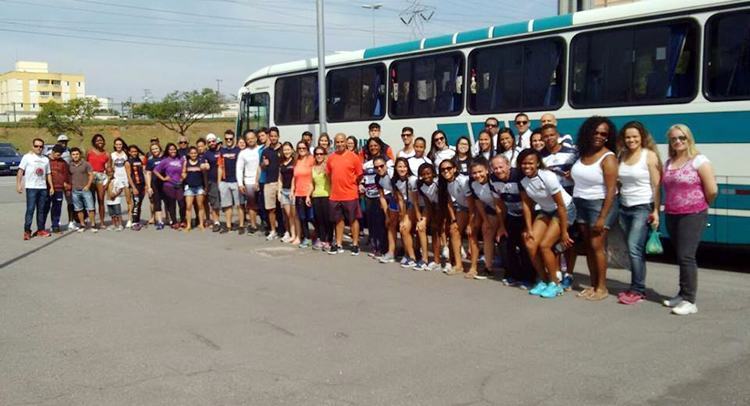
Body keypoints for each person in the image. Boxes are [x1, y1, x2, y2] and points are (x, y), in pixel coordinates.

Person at [661, 124, 717, 316]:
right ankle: (682, 293)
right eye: (674, 138)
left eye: (682, 138)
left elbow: (712, 189)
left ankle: (690, 301)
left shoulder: (699, 160)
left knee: (686, 256)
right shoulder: (669, 162)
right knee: (680, 255)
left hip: (693, 214)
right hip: (672, 214)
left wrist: (699, 205)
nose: (678, 141)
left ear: (689, 139)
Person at [571, 116, 619, 301]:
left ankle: (602, 288)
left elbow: (611, 191)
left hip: (599, 205)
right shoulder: (583, 153)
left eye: (604, 134)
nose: (599, 136)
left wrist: (602, 217)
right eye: (596, 132)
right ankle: (593, 284)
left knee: (597, 246)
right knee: (589, 247)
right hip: (581, 203)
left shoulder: (609, 158)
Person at [518, 149, 576, 299]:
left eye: (530, 162)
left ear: (537, 162)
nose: (527, 166)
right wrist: (529, 228)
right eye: (523, 163)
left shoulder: (547, 176)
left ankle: (556, 284)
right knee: (530, 242)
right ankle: (544, 280)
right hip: (546, 211)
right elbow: (526, 206)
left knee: (545, 245)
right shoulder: (522, 180)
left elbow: (561, 206)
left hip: (564, 210)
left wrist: (564, 232)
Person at [616, 121, 662, 305]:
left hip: (642, 207)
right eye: (628, 137)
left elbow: (656, 186)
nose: (631, 140)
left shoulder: (649, 156)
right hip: (624, 207)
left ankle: (638, 290)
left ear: (642, 137)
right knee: (633, 249)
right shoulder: (622, 155)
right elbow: (620, 182)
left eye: (635, 136)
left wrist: (656, 211)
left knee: (634, 248)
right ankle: (635, 286)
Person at [540, 123, 579, 289]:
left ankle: (569, 274)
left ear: (557, 135)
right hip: (553, 203)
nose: (549, 139)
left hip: (571, 199)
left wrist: (573, 175)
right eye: (546, 136)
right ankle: (556, 273)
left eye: (551, 135)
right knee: (555, 242)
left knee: (570, 240)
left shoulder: (572, 152)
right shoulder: (540, 156)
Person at [490, 155, 534, 288]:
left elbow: (528, 203)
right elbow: (499, 205)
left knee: (525, 243)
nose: (498, 170)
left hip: (529, 213)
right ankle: (514, 275)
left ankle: (529, 277)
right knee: (505, 242)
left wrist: (528, 227)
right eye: (495, 168)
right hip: (511, 214)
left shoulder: (518, 176)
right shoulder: (492, 179)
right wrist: (501, 227)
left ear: (508, 165)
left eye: (501, 167)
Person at [437, 158, 476, 276]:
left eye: (448, 168)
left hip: (475, 209)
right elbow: (449, 202)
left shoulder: (463, 181)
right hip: (461, 208)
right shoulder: (445, 183)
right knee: (453, 230)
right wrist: (453, 219)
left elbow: (471, 204)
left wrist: (470, 223)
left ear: (454, 169)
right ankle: (458, 265)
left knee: (471, 233)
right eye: (443, 169)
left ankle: (473, 267)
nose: (446, 171)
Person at [327, 133, 364, 255]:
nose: (340, 144)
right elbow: (329, 174)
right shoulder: (331, 157)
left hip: (350, 194)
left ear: (346, 142)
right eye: (337, 142)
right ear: (334, 143)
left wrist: (352, 185)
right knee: (338, 220)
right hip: (335, 195)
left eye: (342, 141)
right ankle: (338, 243)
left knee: (353, 220)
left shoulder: (354, 157)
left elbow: (359, 175)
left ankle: (355, 244)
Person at [467, 159, 501, 279]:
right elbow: (478, 203)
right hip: (491, 210)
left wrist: (501, 225)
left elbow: (499, 205)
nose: (477, 175)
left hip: (504, 210)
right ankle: (488, 267)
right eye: (474, 173)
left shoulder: (494, 182)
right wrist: (485, 220)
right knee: (486, 231)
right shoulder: (473, 184)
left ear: (487, 170)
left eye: (480, 171)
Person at [362, 139, 392, 259]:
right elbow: (363, 179)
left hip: (384, 196)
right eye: (371, 146)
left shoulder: (388, 162)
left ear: (380, 146)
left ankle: (385, 248)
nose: (373, 148)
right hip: (370, 196)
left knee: (383, 223)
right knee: (373, 223)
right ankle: (376, 248)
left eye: (375, 145)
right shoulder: (366, 164)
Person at [17, 138, 52, 240]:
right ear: (33, 146)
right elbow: (20, 171)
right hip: (31, 187)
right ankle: (27, 231)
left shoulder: (45, 159)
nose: (39, 148)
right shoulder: (27, 157)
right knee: (30, 209)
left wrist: (51, 186)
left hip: (43, 188)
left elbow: (48, 174)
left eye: (41, 146)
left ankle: (40, 230)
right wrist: (18, 184)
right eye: (36, 146)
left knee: (41, 210)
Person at [391, 157, 419, 269]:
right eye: (399, 166)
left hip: (417, 205)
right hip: (407, 205)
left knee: (406, 228)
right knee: (403, 227)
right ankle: (409, 255)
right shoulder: (396, 181)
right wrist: (402, 217)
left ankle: (413, 257)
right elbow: (401, 200)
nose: (402, 169)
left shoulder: (412, 180)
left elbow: (415, 200)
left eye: (404, 166)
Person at [416, 163, 442, 272]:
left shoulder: (438, 183)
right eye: (423, 174)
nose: (426, 176)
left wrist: (437, 217)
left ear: (433, 173)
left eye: (428, 173)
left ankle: (439, 261)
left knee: (438, 230)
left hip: (443, 207)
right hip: (431, 206)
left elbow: (444, 200)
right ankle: (428, 259)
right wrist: (425, 218)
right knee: (426, 228)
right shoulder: (420, 185)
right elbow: (427, 201)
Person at [154, 143, 185, 230]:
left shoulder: (180, 159)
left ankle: (183, 220)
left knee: (182, 204)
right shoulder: (165, 160)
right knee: (171, 205)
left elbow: (184, 169)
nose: (173, 151)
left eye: (174, 149)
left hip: (179, 184)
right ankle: (174, 222)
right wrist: (163, 178)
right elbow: (155, 170)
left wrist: (183, 177)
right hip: (169, 185)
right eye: (170, 149)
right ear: (168, 151)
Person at [236, 130, 261, 234]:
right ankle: (253, 225)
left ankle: (266, 224)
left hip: (261, 180)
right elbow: (239, 169)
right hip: (249, 181)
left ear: (256, 138)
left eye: (252, 138)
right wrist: (240, 184)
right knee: (251, 205)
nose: (250, 140)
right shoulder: (243, 153)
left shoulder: (261, 149)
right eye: (248, 139)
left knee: (263, 205)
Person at [292, 141, 315, 248]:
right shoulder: (296, 160)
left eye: (304, 148)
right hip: (298, 193)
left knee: (311, 217)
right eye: (299, 148)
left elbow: (314, 176)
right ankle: (307, 238)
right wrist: (293, 190)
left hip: (309, 193)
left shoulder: (311, 159)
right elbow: (294, 177)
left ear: (307, 148)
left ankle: (322, 235)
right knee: (302, 217)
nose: (301, 150)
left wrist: (309, 194)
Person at [374, 156, 397, 264]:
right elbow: (382, 197)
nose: (379, 169)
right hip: (393, 199)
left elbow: (400, 194)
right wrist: (387, 215)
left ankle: (412, 254)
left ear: (386, 165)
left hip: (406, 199)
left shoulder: (393, 174)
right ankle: (391, 253)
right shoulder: (377, 178)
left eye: (381, 166)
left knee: (405, 228)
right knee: (390, 224)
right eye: (376, 167)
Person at [261, 127, 283, 240]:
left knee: (283, 208)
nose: (273, 138)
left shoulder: (284, 149)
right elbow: (262, 167)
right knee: (271, 208)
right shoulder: (265, 151)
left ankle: (285, 230)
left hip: (282, 183)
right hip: (269, 182)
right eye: (271, 136)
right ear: (269, 137)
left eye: (275, 136)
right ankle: (273, 230)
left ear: (278, 136)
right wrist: (264, 164)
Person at [218, 130, 241, 233]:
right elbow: (219, 167)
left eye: (230, 139)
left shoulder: (238, 150)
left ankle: (241, 225)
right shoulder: (221, 151)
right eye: (226, 139)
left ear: (234, 139)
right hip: (224, 181)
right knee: (227, 205)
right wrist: (219, 182)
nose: (228, 141)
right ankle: (228, 225)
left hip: (236, 181)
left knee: (239, 204)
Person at [68, 147, 96, 232]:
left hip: (85, 189)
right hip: (75, 190)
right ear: (71, 156)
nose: (75, 156)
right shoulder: (69, 165)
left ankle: (93, 225)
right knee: (78, 208)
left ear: (80, 155)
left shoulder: (86, 164)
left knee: (90, 208)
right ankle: (82, 224)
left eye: (77, 154)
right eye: (73, 154)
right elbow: (68, 176)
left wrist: (88, 185)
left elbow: (91, 175)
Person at [311, 146, 333, 251]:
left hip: (327, 195)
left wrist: (327, 169)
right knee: (318, 219)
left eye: (321, 154)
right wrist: (308, 196)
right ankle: (321, 239)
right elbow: (312, 184)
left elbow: (332, 180)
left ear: (325, 155)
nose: (319, 156)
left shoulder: (328, 166)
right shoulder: (313, 168)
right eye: (317, 154)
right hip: (316, 196)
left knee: (327, 219)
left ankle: (329, 240)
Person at [86, 134, 110, 228]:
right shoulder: (89, 152)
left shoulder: (107, 154)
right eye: (97, 140)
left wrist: (108, 181)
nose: (100, 142)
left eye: (101, 140)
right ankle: (92, 221)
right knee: (91, 200)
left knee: (101, 200)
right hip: (91, 175)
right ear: (94, 142)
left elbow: (108, 168)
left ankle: (102, 222)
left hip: (101, 176)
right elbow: (85, 164)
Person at [182, 146, 207, 232]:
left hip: (199, 187)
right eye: (192, 153)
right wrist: (183, 175)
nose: (193, 155)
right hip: (189, 187)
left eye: (195, 153)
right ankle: (188, 225)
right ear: (189, 154)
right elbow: (183, 172)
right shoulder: (186, 162)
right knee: (188, 207)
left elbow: (206, 169)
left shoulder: (200, 162)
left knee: (200, 206)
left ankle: (201, 224)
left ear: (197, 153)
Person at [54, 134, 75, 230]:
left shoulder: (70, 151)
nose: (64, 143)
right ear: (58, 142)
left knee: (70, 202)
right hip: (57, 180)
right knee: (57, 202)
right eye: (62, 142)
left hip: (67, 179)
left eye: (65, 142)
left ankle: (71, 221)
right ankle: (56, 221)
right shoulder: (52, 152)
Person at [278, 142, 298, 243]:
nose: (286, 151)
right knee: (288, 215)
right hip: (284, 191)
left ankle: (297, 235)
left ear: (292, 150)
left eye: (288, 149)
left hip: (292, 191)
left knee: (294, 215)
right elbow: (280, 178)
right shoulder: (282, 163)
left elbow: (295, 177)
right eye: (284, 150)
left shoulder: (295, 162)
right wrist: (279, 191)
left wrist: (293, 190)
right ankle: (292, 234)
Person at [47, 144, 70, 233]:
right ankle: (41, 228)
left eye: (60, 154)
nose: (59, 156)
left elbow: (67, 176)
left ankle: (55, 225)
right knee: (44, 208)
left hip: (59, 189)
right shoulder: (46, 161)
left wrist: (68, 188)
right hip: (47, 189)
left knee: (57, 208)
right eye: (57, 154)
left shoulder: (63, 163)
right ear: (52, 152)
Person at [111, 137, 133, 228]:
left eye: (120, 144)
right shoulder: (112, 155)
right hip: (116, 178)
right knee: (115, 199)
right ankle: (118, 220)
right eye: (117, 144)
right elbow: (111, 166)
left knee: (128, 200)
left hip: (125, 178)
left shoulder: (126, 154)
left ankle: (130, 219)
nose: (119, 146)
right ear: (114, 145)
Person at [125, 145, 147, 231]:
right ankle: (134, 222)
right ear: (129, 152)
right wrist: (133, 187)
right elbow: (129, 176)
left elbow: (143, 172)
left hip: (142, 184)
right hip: (135, 185)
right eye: (132, 151)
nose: (134, 153)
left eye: (135, 151)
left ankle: (137, 220)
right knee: (136, 203)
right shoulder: (127, 162)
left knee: (139, 203)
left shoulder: (139, 160)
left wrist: (145, 185)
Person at [203, 133, 222, 231]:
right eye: (209, 142)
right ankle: (216, 222)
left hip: (224, 180)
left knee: (227, 203)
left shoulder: (222, 151)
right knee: (214, 203)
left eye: (213, 141)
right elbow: (203, 165)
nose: (211, 143)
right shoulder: (206, 154)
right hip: (212, 181)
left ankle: (227, 223)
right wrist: (204, 166)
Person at [145, 144, 166, 230]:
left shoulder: (164, 159)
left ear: (160, 149)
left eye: (156, 148)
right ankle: (160, 221)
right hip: (155, 184)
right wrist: (149, 187)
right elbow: (148, 174)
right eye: (153, 149)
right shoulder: (150, 161)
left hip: (165, 183)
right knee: (157, 203)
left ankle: (171, 219)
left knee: (168, 202)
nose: (155, 150)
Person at [104, 166, 124, 231]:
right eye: (108, 172)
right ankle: (114, 224)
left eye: (111, 172)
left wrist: (115, 195)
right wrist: (108, 181)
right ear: (106, 173)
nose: (110, 173)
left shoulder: (117, 180)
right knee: (112, 214)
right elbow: (104, 188)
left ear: (113, 172)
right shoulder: (105, 180)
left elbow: (121, 189)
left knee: (118, 213)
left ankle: (120, 225)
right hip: (109, 200)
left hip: (116, 200)